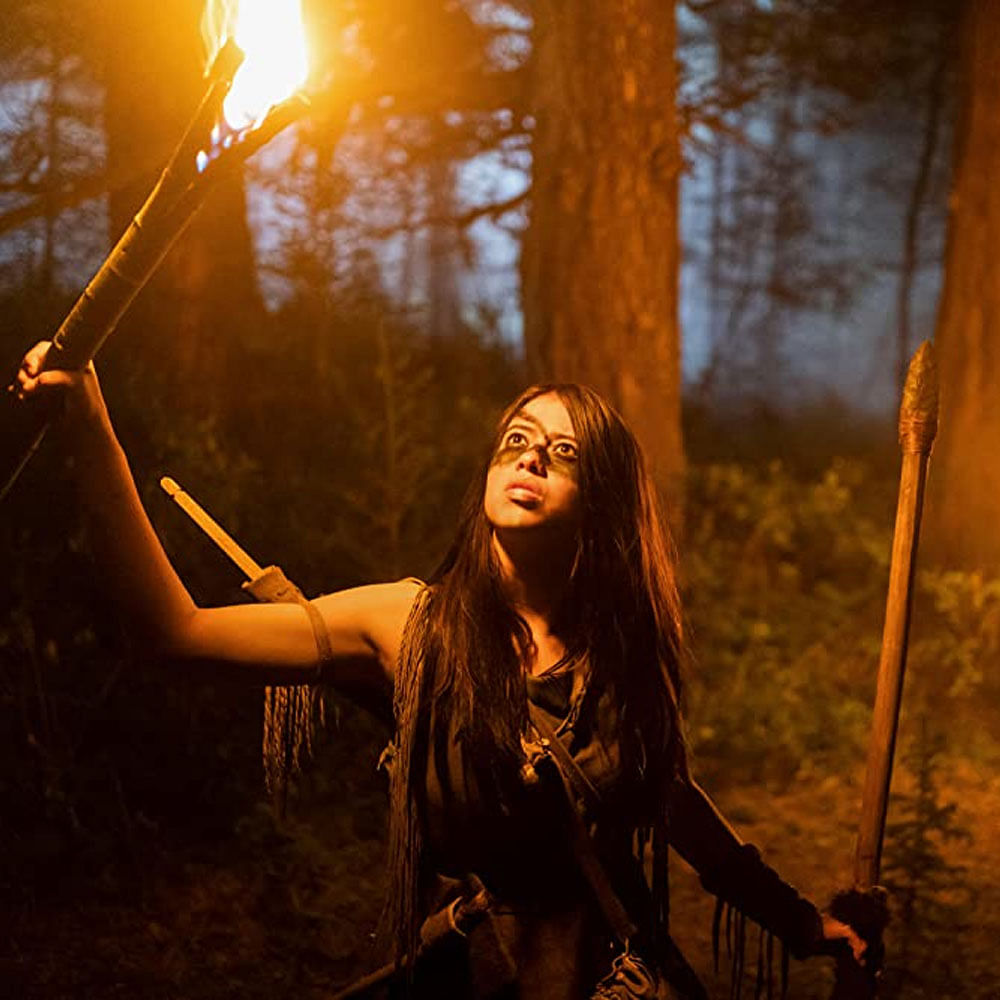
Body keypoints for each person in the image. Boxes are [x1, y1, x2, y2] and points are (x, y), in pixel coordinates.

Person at [12, 343, 868, 998]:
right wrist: (92, 430)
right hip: (478, 975)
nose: (528, 458)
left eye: (563, 454)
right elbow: (175, 631)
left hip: (610, 978)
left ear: (601, 502)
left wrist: (802, 923)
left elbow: (682, 813)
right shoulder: (407, 623)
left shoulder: (619, 662)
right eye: (517, 440)